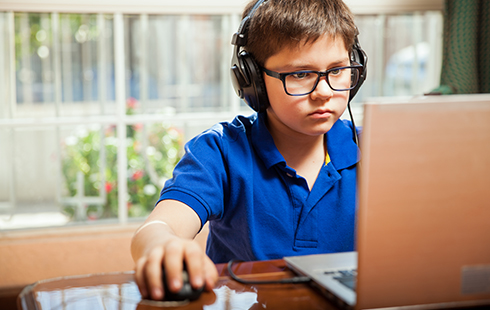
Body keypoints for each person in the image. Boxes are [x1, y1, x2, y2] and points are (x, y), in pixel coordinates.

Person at [131, 0, 366, 301]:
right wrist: (162, 245)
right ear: (251, 79)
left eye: (337, 70)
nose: (324, 92)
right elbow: (159, 226)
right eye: (299, 74)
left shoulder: (375, 149)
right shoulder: (220, 152)